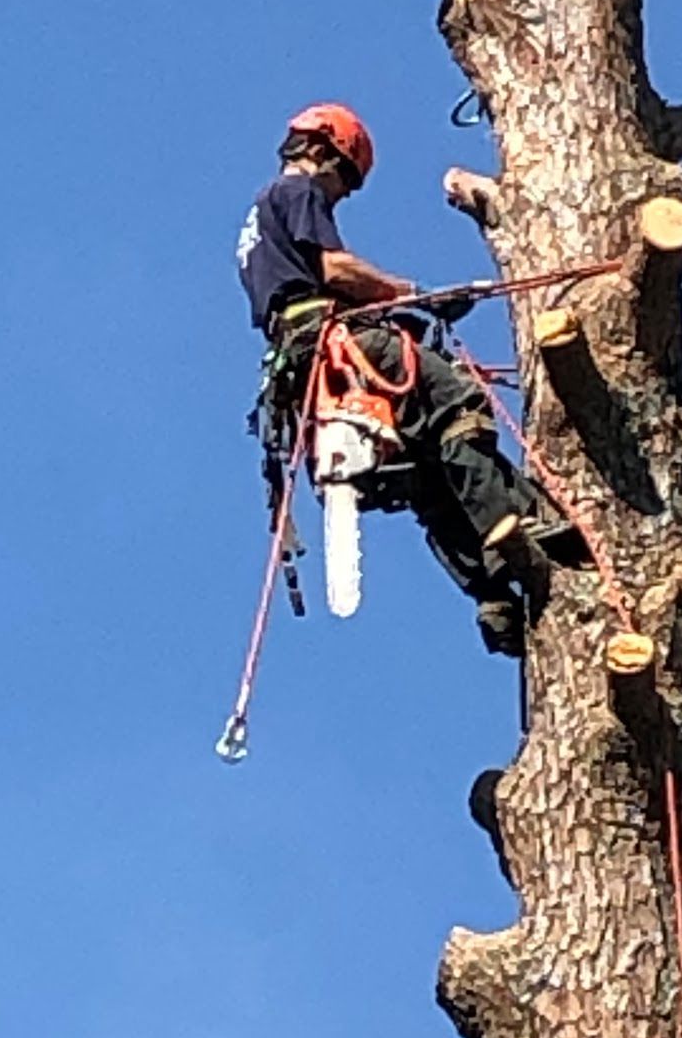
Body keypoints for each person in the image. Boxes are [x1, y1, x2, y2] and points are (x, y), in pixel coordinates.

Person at [236, 102, 574, 655]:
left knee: (425, 472)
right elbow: (334, 269)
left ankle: (493, 596)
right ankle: (524, 518)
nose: (341, 195)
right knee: (458, 404)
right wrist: (411, 294)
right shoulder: (297, 192)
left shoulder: (259, 220)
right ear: (322, 150)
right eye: (344, 179)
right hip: (337, 343)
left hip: (304, 359)